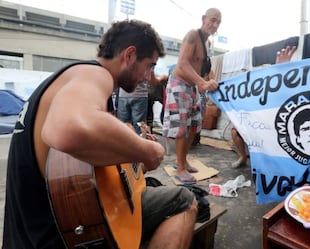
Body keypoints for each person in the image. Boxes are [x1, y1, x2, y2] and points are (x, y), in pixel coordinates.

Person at [2, 19, 197, 249]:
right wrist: (149, 150)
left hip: (27, 236)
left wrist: (133, 145)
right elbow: (66, 129)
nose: (148, 76)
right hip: (63, 237)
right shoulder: (94, 74)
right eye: (149, 66)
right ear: (130, 55)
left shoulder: (67, 80)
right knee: (186, 200)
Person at [163, 8, 221, 184]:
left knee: (194, 126)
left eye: (218, 22)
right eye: (212, 20)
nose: (215, 24)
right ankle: (180, 167)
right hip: (179, 83)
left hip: (193, 86)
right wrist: (202, 83)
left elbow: (201, 69)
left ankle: (184, 161)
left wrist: (209, 81)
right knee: (181, 126)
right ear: (203, 19)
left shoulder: (207, 43)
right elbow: (183, 64)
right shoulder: (193, 35)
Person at [230, 45, 298, 169]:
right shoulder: (253, 93)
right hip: (257, 126)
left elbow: (288, 92)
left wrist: (282, 69)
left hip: (275, 127)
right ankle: (243, 157)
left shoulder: (279, 87)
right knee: (235, 130)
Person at [117, 70, 168, 135]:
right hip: (140, 95)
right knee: (139, 126)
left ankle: (124, 144)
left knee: (123, 125)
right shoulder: (147, 60)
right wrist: (161, 78)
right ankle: (139, 143)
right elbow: (152, 81)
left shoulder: (123, 60)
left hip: (123, 95)